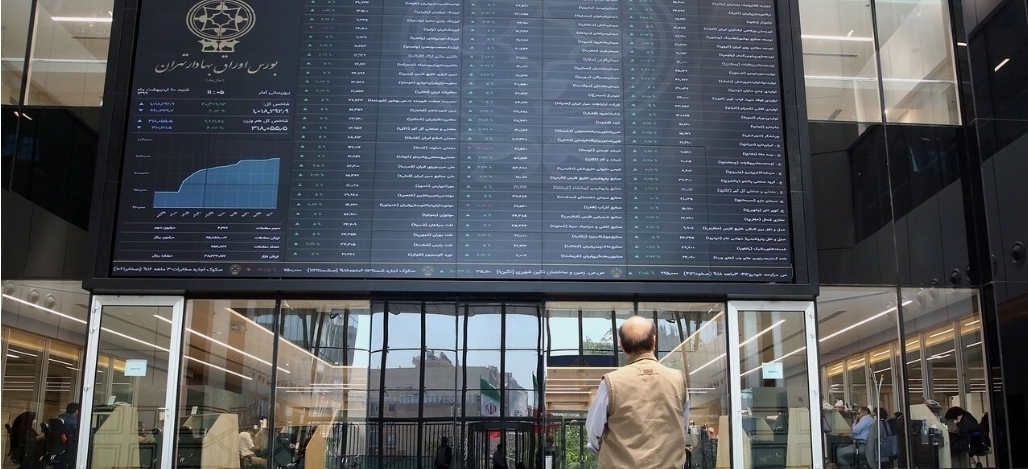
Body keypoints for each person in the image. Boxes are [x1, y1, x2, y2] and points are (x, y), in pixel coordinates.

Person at [585, 316, 690, 469]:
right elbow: (683, 429)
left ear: (622, 346)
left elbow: (594, 433)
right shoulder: (678, 380)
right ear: (654, 341)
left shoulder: (610, 383)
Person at [57, 403, 80, 469]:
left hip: (60, 448)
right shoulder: (73, 420)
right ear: (77, 411)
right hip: (70, 448)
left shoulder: (61, 417)